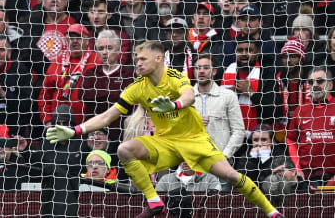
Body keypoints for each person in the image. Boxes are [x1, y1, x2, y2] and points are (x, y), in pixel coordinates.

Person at [46, 41, 285, 218]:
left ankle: (272, 212)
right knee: (124, 149)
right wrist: (76, 130)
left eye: (142, 59)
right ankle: (153, 201)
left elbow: (189, 95)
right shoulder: (137, 87)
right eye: (136, 59)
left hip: (194, 140)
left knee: (232, 176)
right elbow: (109, 115)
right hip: (165, 142)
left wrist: (173, 105)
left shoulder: (175, 77)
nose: (137, 63)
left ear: (158, 59)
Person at [286, 66, 335, 187]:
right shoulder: (301, 110)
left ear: (330, 85)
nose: (315, 85)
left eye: (320, 81)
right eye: (311, 82)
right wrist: (297, 168)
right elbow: (291, 139)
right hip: (308, 181)